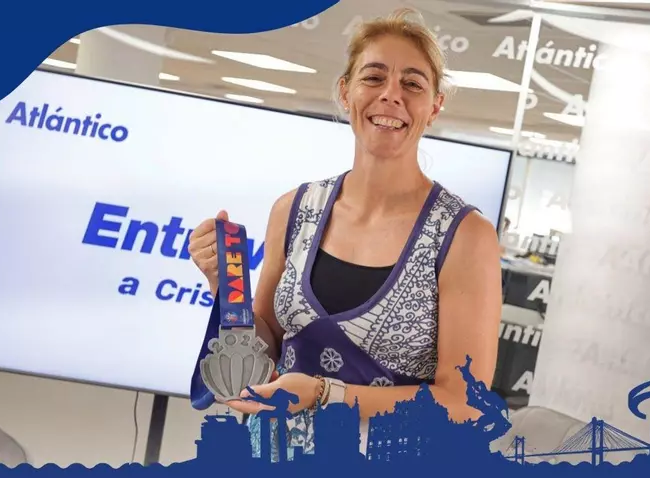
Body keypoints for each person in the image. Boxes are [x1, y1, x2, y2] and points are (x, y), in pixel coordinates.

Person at [187, 8, 502, 459]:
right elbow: (265, 342)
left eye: (412, 84)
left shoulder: (464, 236)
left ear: (434, 106)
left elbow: (464, 403)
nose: (390, 95)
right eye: (373, 77)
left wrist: (323, 394)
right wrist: (225, 287)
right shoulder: (294, 210)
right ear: (345, 91)